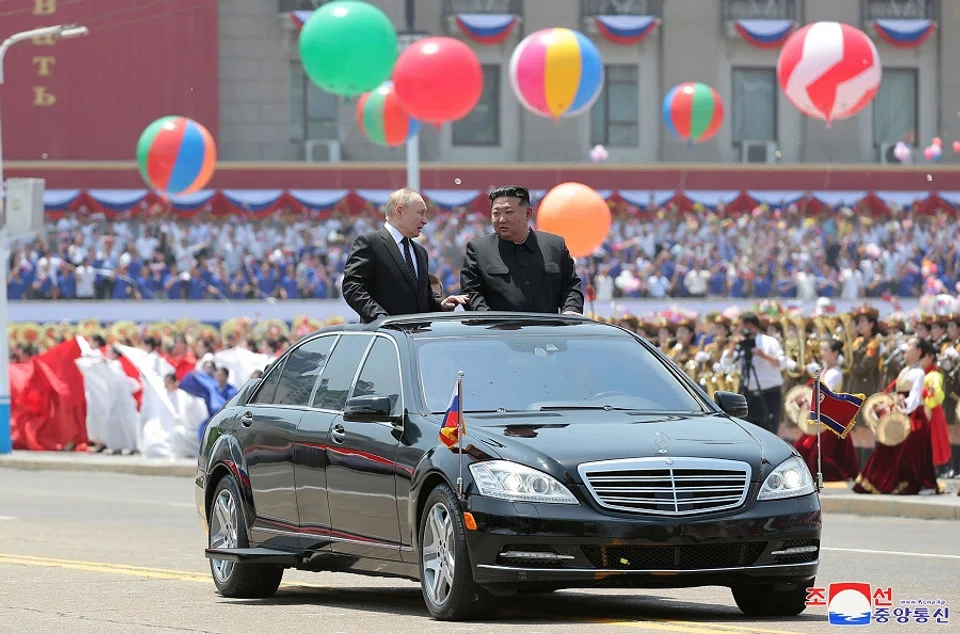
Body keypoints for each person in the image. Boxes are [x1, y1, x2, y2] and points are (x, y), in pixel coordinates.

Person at [342, 188, 467, 323]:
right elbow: (352, 287)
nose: (425, 220)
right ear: (400, 211)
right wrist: (381, 318)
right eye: (420, 213)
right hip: (384, 334)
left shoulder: (420, 252)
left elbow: (423, 298)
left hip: (418, 334)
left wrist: (441, 304)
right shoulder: (370, 243)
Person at [459, 185, 583, 314]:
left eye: (509, 212)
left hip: (547, 326)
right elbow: (471, 292)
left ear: (528, 213)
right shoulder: (479, 250)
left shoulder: (555, 246)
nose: (502, 219)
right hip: (497, 326)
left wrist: (571, 310)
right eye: (496, 213)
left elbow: (571, 286)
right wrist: (489, 318)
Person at [854, 337, 940, 495]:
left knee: (911, 451)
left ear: (919, 351)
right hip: (901, 413)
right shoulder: (906, 370)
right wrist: (891, 403)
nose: (906, 350)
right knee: (888, 446)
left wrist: (901, 404)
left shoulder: (919, 372)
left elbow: (914, 399)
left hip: (914, 417)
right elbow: (898, 394)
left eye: (910, 347)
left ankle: (922, 484)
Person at [793, 338, 859, 481]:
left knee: (817, 453)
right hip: (823, 416)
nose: (822, 353)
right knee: (804, 447)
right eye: (822, 349)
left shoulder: (834, 373)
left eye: (826, 350)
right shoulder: (825, 370)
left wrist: (808, 400)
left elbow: (823, 393)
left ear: (835, 353)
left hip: (830, 419)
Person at [719, 312, 785, 434]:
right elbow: (726, 364)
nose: (738, 329)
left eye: (740, 326)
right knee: (748, 431)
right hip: (748, 394)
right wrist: (733, 345)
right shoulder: (740, 343)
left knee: (770, 430)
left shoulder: (769, 342)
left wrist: (763, 355)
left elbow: (781, 364)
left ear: (749, 326)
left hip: (769, 394)